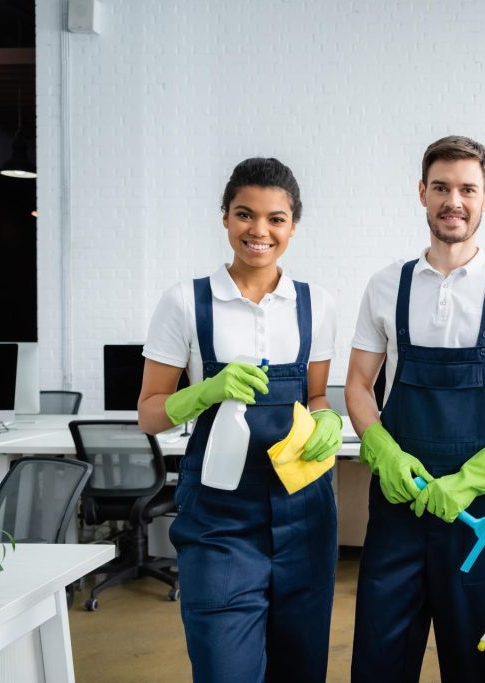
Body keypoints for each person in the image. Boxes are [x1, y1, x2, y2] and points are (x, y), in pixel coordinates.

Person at [345, 135, 485, 683]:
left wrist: (479, 474)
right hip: (399, 503)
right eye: (441, 187)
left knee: (474, 660)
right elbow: (359, 384)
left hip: (477, 510)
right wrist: (382, 450)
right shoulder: (386, 285)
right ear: (421, 193)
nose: (453, 201)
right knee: (379, 659)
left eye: (467, 189)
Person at [138, 157, 341, 683]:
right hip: (220, 519)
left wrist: (328, 420)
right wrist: (202, 391)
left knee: (300, 668)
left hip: (305, 512)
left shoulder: (315, 305)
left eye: (276, 218)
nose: (260, 230)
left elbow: (317, 395)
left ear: (293, 225)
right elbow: (148, 415)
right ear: (225, 217)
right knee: (226, 669)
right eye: (245, 214)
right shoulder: (185, 302)